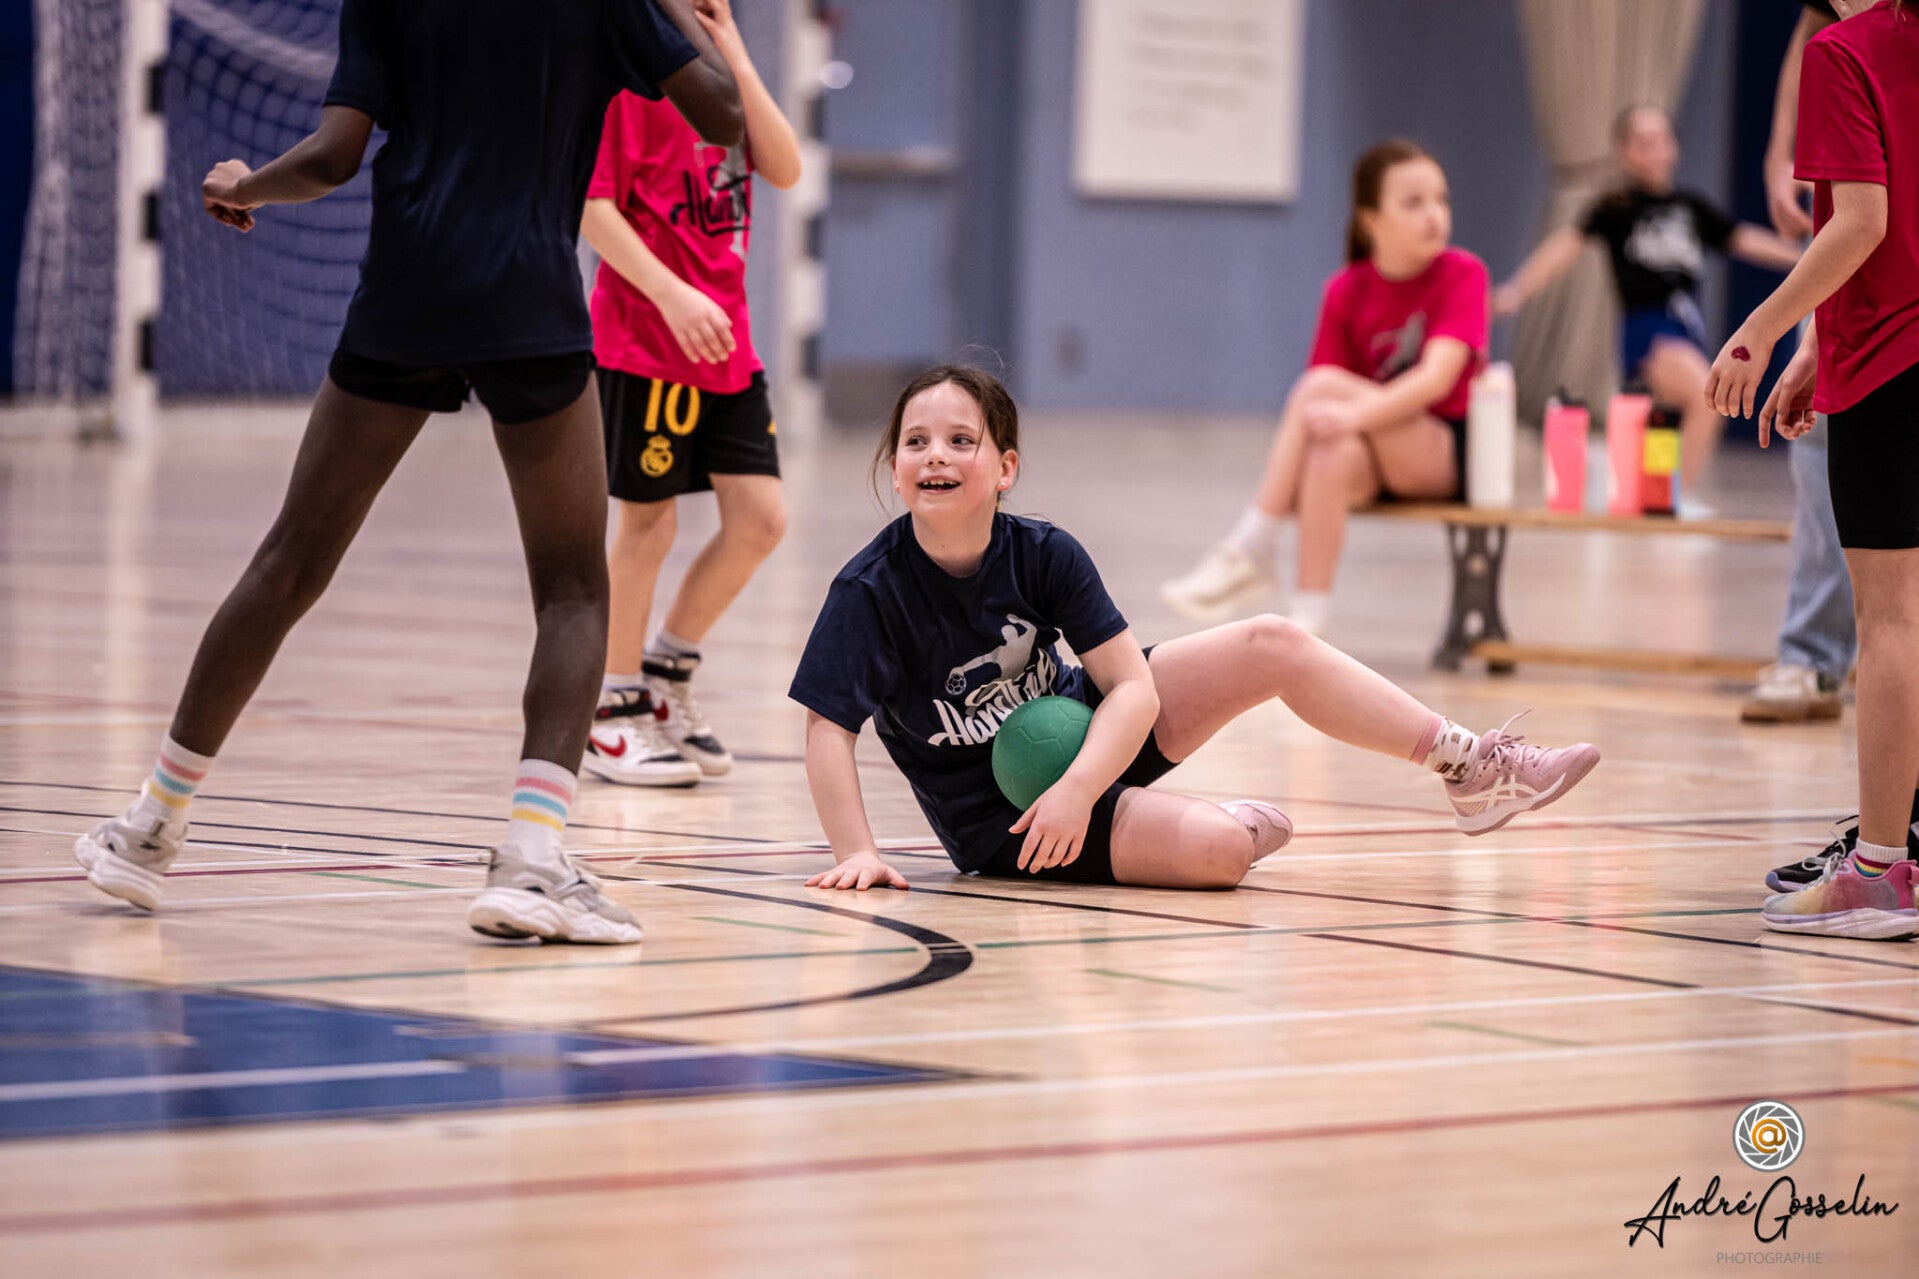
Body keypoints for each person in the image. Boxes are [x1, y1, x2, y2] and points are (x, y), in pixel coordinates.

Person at [70, 0, 744, 946]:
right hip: (528, 301)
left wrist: (246, 185)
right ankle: (532, 858)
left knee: (289, 560)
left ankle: (150, 824)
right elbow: (723, 114)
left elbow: (333, 157)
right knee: (571, 588)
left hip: (406, 292)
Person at [791, 366, 1600, 893]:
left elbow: (1131, 689)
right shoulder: (869, 592)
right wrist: (856, 852)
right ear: (894, 466)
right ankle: (1228, 823)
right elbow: (828, 729)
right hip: (1004, 820)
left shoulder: (1042, 553)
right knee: (1218, 856)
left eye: (960, 440)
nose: (935, 455)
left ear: (1004, 467)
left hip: (1088, 732)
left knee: (1273, 641)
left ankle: (1471, 766)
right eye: (915, 442)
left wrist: (1081, 784)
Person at [1706, 0, 1919, 938]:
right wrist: (1815, 347)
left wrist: (1760, 330)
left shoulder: (1841, 51)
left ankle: (1879, 868)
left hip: (1892, 368)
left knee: (1890, 621)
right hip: (1873, 346)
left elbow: (1861, 224)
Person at [581, 0, 801, 788]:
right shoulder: (627, 81)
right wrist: (671, 294)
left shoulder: (720, 78)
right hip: (646, 341)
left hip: (727, 345)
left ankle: (666, 672)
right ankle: (611, 709)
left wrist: (736, 55)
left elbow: (785, 168)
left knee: (760, 519)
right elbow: (591, 207)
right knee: (648, 524)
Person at [1160, 140, 1488, 635]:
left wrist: (1353, 416)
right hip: (1372, 453)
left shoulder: (1462, 272)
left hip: (1440, 449)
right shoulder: (1344, 289)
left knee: (1320, 388)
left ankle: (1253, 542)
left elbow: (1434, 380)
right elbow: (1318, 417)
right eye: (1414, 203)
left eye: (1441, 199)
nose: (1434, 215)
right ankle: (1307, 619)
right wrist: (1346, 422)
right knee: (1327, 451)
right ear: (1371, 220)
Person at [1494, 105, 1802, 507]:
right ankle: (1677, 497)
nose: (1653, 150)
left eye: (1660, 140)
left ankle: (1654, 497)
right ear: (1624, 152)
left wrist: (1815, 258)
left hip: (1686, 329)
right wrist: (1516, 290)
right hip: (1647, 328)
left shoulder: (1692, 208)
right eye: (1642, 142)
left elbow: (1744, 240)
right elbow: (1562, 249)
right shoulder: (1617, 208)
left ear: (1673, 146)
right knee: (1706, 398)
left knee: (1665, 420)